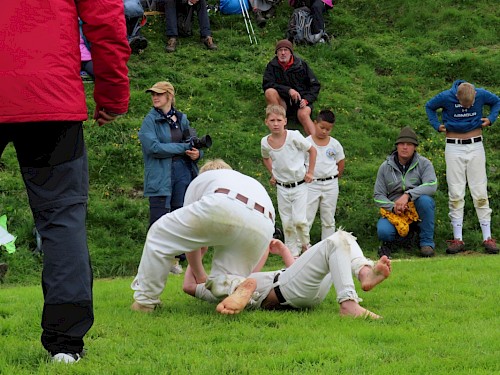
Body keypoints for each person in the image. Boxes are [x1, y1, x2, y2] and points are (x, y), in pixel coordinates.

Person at [0, 0, 130, 364]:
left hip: (45, 91)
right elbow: (105, 22)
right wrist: (113, 93)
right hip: (49, 92)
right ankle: (64, 344)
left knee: (63, 216)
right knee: (62, 218)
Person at [131, 159, 276, 313]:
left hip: (224, 204)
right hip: (264, 224)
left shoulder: (203, 179)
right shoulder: (247, 181)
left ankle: (145, 302)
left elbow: (192, 243)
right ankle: (238, 287)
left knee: (159, 234)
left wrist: (200, 276)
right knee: (225, 281)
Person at [183, 229, 391, 318]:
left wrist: (282, 250)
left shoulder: (251, 274)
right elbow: (189, 286)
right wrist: (196, 258)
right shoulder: (223, 280)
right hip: (285, 290)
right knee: (335, 241)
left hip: (294, 287)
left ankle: (365, 273)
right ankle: (348, 304)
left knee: (344, 240)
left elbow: (293, 272)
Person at [425, 80, 500, 255]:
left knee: (480, 191)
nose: (467, 107)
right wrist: (437, 125)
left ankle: (487, 237)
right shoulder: (445, 96)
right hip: (454, 146)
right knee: (456, 192)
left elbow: (496, 101)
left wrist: (490, 119)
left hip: (475, 145)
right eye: (464, 104)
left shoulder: (480, 93)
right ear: (456, 97)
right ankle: (457, 238)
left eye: (471, 104)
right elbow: (429, 107)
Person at [139, 81, 205, 273]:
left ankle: (176, 260)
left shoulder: (181, 118)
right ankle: (156, 260)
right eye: (153, 94)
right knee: (159, 219)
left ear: (169, 96)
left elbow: (192, 143)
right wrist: (183, 148)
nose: (155, 97)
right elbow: (153, 148)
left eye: (159, 94)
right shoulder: (149, 121)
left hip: (183, 172)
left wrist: (196, 154)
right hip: (160, 175)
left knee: (180, 217)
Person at [261, 104, 317, 257]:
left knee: (299, 220)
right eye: (272, 120)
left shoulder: (293, 136)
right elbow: (266, 157)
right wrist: (273, 174)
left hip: (299, 184)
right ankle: (292, 254)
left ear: (285, 121)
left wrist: (310, 172)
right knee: (287, 223)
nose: (276, 124)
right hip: (282, 187)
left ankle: (305, 245)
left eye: (279, 120)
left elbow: (312, 150)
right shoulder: (265, 142)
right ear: (266, 122)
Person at [374, 127, 438, 258]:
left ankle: (426, 243)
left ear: (415, 147)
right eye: (401, 144)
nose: (405, 147)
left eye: (409, 144)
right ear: (396, 146)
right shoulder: (385, 167)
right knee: (383, 231)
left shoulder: (424, 164)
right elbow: (378, 196)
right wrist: (393, 206)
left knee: (426, 201)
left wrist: (408, 195)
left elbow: (432, 185)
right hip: (394, 210)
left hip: (416, 207)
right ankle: (403, 239)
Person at [263, 39, 321, 136]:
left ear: (291, 53)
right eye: (280, 50)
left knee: (303, 114)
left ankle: (317, 142)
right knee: (269, 92)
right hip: (283, 103)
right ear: (276, 53)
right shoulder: (272, 66)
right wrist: (288, 90)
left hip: (301, 102)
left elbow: (315, 85)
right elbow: (267, 84)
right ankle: (280, 131)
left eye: (286, 50)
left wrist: (306, 100)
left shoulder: (302, 65)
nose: (283, 53)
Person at [306, 110, 345, 241]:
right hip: (311, 184)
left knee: (328, 218)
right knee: (307, 216)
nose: (324, 131)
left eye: (328, 129)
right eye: (322, 127)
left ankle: (328, 247)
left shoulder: (335, 144)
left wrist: (335, 177)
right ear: (315, 123)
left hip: (330, 184)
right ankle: (302, 247)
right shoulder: (306, 143)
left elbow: (341, 162)